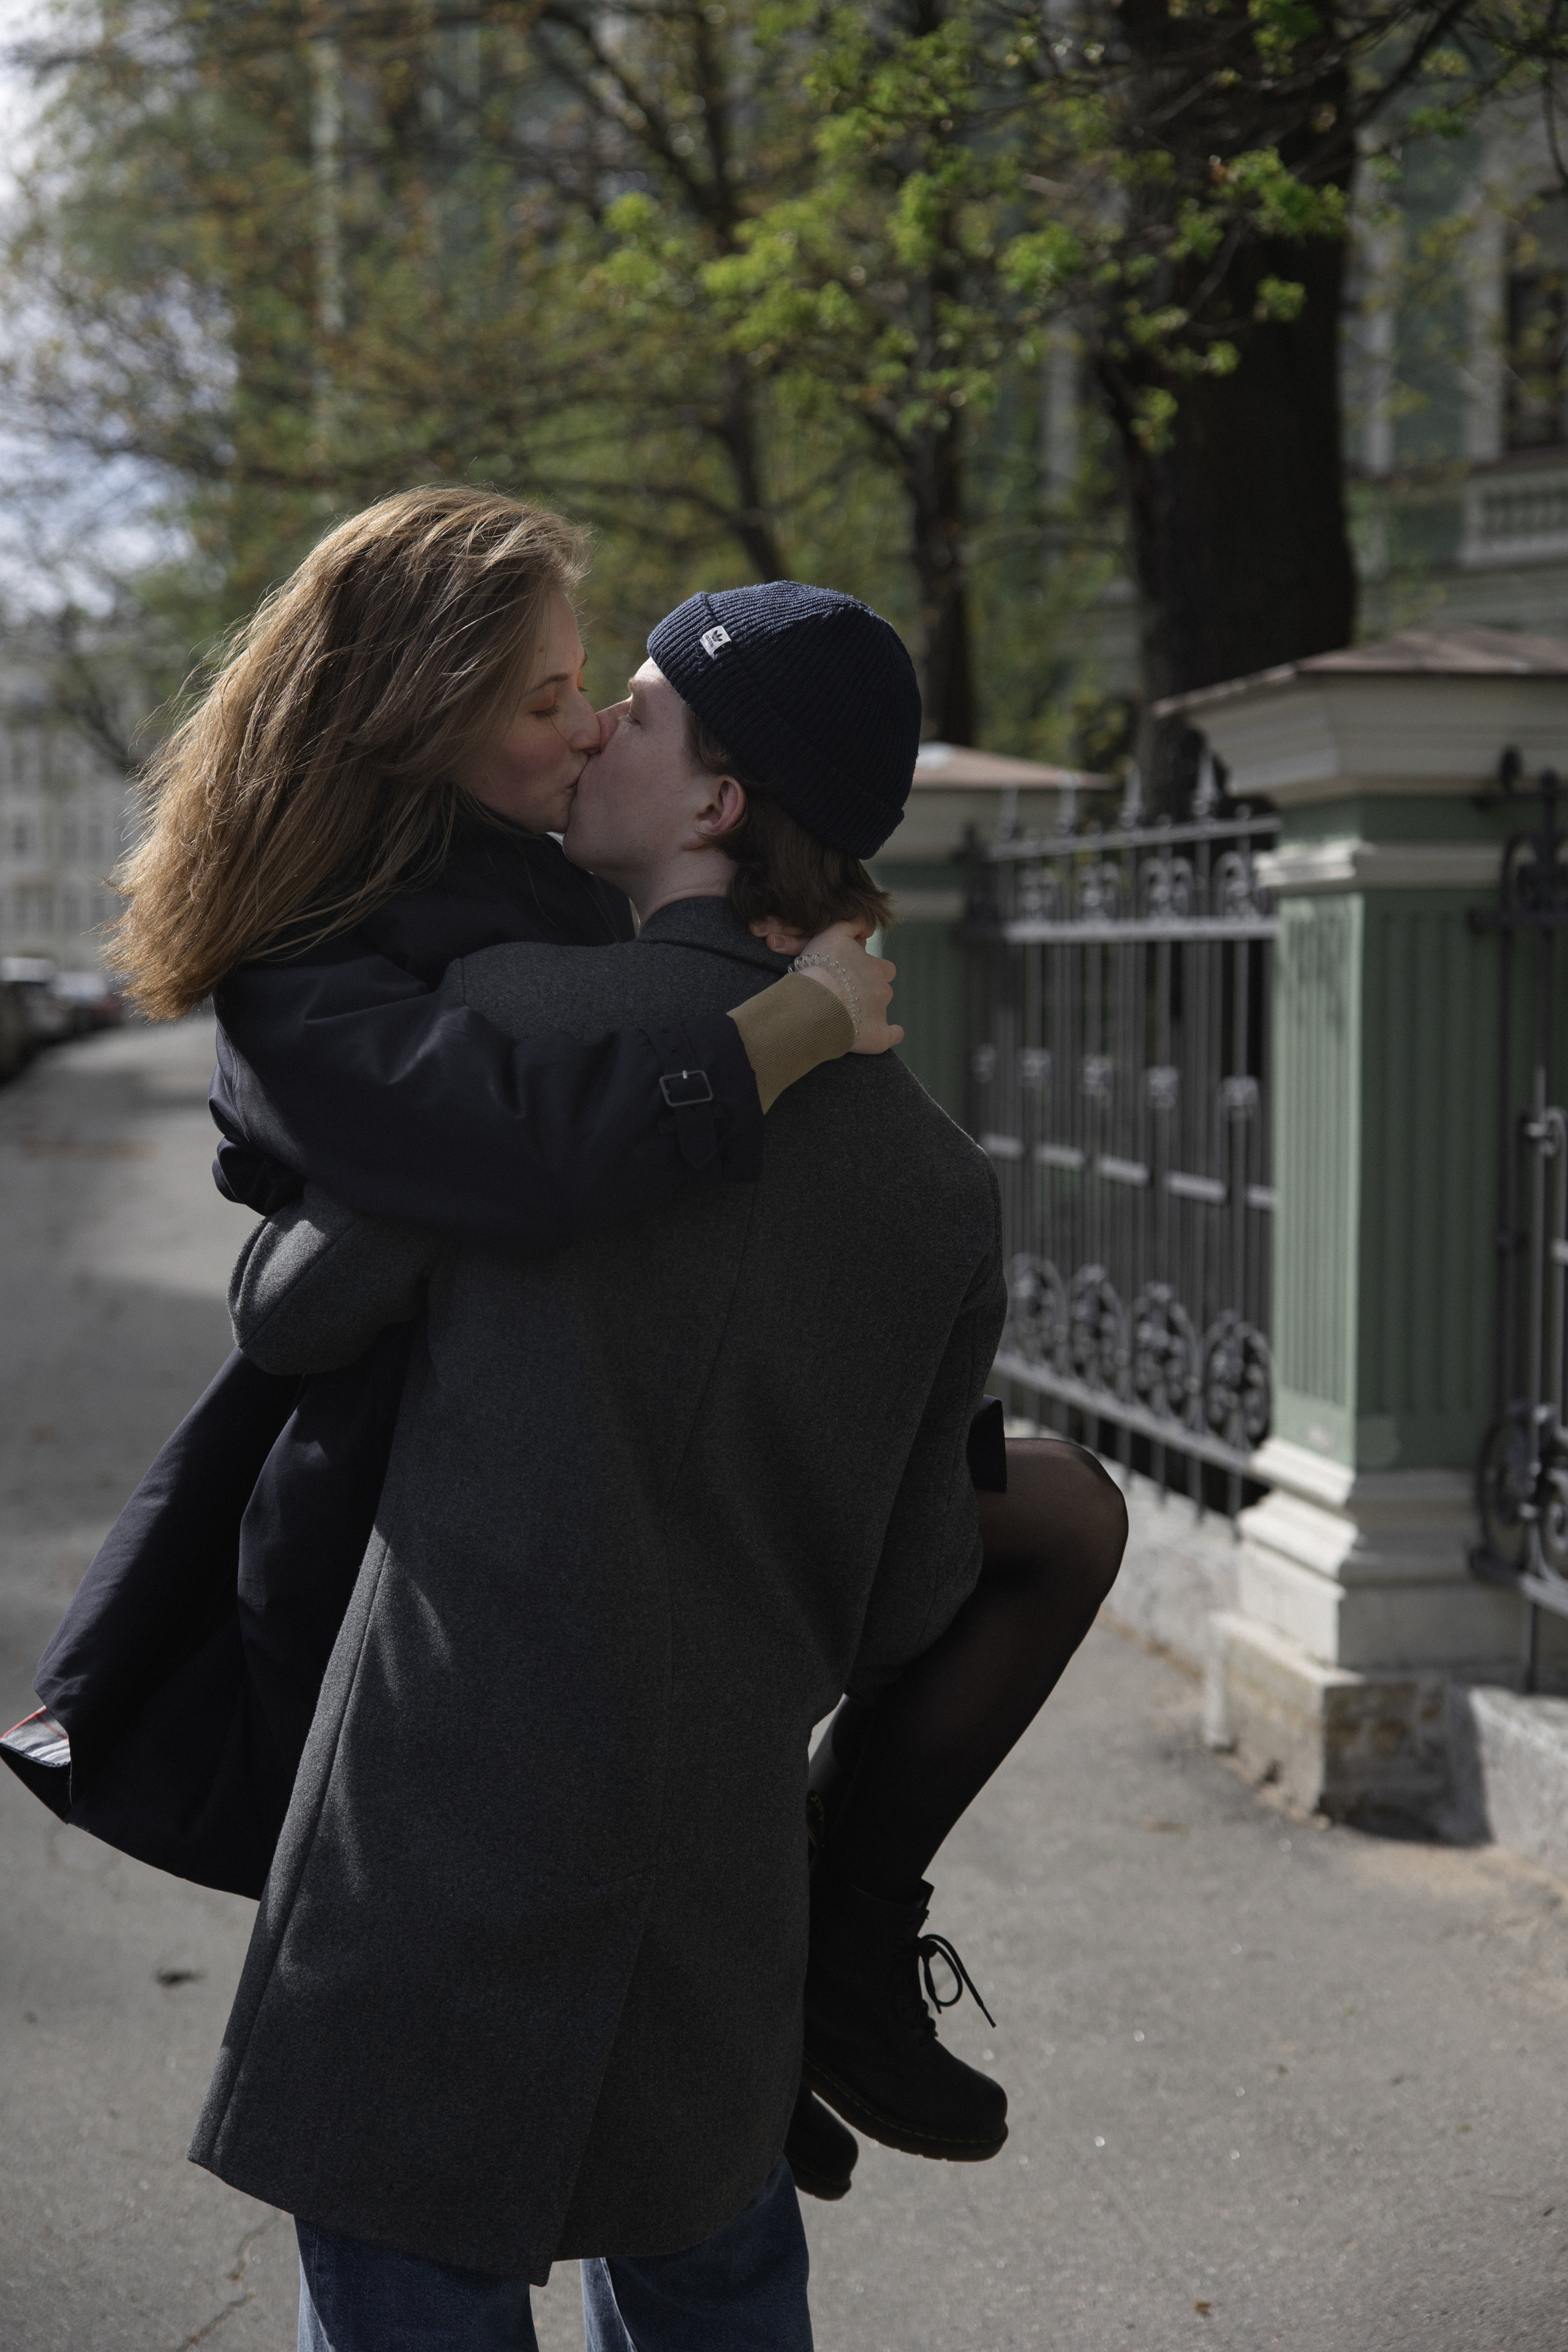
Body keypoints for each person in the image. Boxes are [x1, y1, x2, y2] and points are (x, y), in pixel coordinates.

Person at [1, 499, 1126, 2200]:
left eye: (611, 700)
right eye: (550, 699)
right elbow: (347, 1264)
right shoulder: (329, 960)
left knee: (1061, 1505)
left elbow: (322, 1272)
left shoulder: (534, 931)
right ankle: (821, 1950)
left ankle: (842, 1939)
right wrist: (786, 1028)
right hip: (474, 1550)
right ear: (418, 714)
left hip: (522, 1611)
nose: (591, 723)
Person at [198, 581, 1008, 2350]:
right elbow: (906, 1607)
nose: (586, 732)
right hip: (712, 1867)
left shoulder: (509, 1017)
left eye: (629, 709)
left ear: (716, 803)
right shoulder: (940, 1179)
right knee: (715, 2283)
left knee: (414, 2276)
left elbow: (292, 1314)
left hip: (437, 1830)